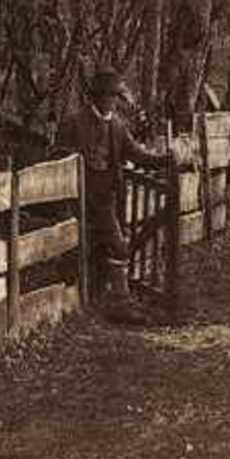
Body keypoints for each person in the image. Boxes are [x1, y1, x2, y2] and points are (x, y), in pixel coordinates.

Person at [73, 69, 172, 307]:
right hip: (82, 198)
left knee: (108, 249)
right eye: (110, 96)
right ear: (97, 97)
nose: (114, 102)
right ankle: (120, 300)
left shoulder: (117, 126)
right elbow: (62, 163)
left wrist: (165, 159)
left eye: (116, 97)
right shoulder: (76, 124)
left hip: (108, 200)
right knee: (115, 248)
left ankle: (103, 300)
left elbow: (137, 154)